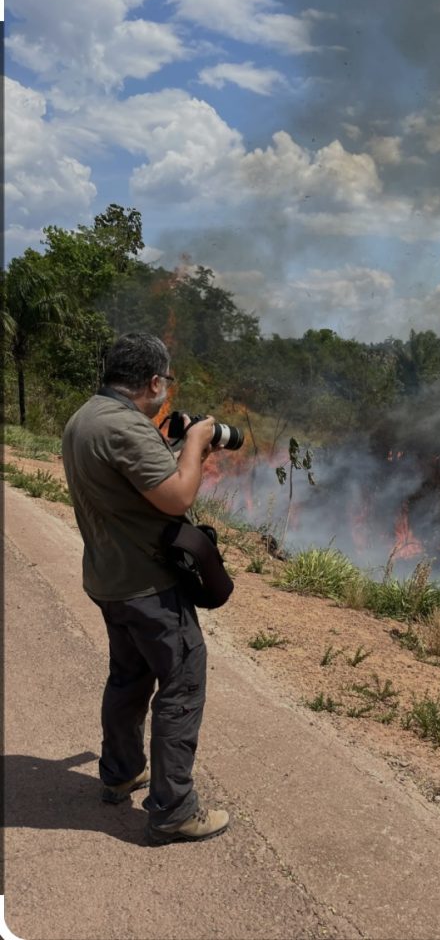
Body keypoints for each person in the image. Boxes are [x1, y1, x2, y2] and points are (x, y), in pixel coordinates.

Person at [61, 332, 229, 846]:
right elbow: (176, 497)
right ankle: (174, 810)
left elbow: (132, 485)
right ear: (154, 382)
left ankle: (120, 771)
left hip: (109, 579)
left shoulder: (88, 416)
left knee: (129, 678)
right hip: (148, 587)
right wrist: (197, 444)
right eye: (167, 383)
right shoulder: (123, 429)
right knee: (181, 683)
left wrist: (173, 442)